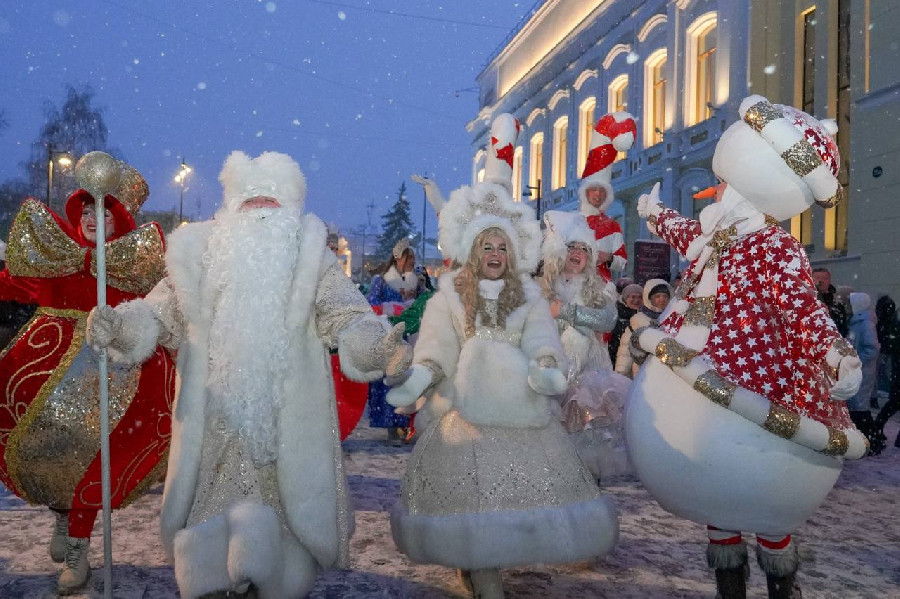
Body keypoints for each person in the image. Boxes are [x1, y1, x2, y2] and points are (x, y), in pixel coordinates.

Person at [87, 151, 411, 599]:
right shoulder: (200, 256)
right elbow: (159, 313)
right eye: (250, 202)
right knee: (211, 546)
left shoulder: (311, 259)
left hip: (285, 433)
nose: (260, 212)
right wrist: (121, 326)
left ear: (290, 209)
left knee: (281, 546)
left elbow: (347, 315)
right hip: (213, 433)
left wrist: (376, 346)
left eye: (271, 203)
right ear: (230, 208)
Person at [631, 95, 866, 599]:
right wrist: (655, 213)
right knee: (718, 504)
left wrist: (835, 352)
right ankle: (730, 586)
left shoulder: (774, 245)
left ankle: (781, 583)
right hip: (694, 350)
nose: (718, 191)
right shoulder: (720, 234)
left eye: (726, 182)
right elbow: (687, 234)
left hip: (757, 367)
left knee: (761, 491)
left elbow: (801, 307)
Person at [386, 114, 618, 599]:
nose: (494, 252)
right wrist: (421, 376)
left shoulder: (528, 295)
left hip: (518, 411)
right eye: (486, 245)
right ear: (473, 250)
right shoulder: (450, 294)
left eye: (501, 246)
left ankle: (487, 560)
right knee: (468, 494)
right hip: (462, 411)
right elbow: (437, 346)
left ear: (512, 252)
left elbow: (541, 338)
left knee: (505, 499)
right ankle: (477, 567)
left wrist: (547, 366)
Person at [0, 161, 175, 594]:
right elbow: (13, 283)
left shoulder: (132, 268)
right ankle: (62, 516)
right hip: (44, 377)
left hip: (112, 377)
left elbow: (160, 312)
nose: (92, 220)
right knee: (51, 453)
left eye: (104, 213)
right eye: (85, 211)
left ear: (120, 222)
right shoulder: (57, 258)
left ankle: (78, 545)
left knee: (97, 461)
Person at [540, 210, 632, 480]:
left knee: (585, 433)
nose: (577, 253)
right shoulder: (542, 286)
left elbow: (607, 320)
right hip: (548, 371)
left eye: (584, 249)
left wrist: (567, 312)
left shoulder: (599, 288)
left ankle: (587, 482)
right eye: (572, 247)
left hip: (588, 375)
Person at [366, 238, 421, 442]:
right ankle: (391, 424)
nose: (412, 261)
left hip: (409, 337)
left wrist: (415, 304)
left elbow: (425, 302)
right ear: (398, 259)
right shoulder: (381, 281)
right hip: (388, 337)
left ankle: (404, 424)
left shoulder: (416, 283)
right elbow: (370, 304)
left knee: (407, 381)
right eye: (408, 257)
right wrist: (390, 308)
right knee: (389, 383)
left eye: (413, 258)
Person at [578, 111, 637, 281]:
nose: (597, 194)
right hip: (573, 285)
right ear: (586, 192)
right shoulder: (571, 221)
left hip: (601, 286)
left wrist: (609, 258)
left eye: (602, 191)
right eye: (594, 190)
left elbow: (622, 262)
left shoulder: (611, 226)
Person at [615, 279, 672, 378]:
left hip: (667, 373)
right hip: (643, 372)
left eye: (665, 296)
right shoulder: (638, 319)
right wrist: (621, 373)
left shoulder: (673, 318)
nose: (662, 299)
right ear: (649, 298)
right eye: (657, 296)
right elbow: (626, 349)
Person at [846, 292, 880, 451]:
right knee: (857, 407)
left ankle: (872, 442)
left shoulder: (865, 323)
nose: (847, 306)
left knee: (860, 408)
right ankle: (868, 441)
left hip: (863, 371)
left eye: (850, 303)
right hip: (858, 370)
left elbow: (872, 349)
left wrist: (856, 360)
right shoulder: (859, 321)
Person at [872, 295, 900, 453]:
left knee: (895, 402)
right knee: (895, 402)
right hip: (897, 366)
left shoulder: (888, 324)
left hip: (896, 366)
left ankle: (878, 427)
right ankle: (877, 427)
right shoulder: (890, 324)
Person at [609, 282, 642, 368]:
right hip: (618, 362)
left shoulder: (644, 315)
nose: (636, 300)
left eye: (640, 297)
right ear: (625, 298)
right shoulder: (616, 314)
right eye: (633, 297)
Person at [812, 267, 849, 336]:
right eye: (817, 278)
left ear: (829, 280)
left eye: (825, 278)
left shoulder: (837, 302)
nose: (821, 281)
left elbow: (844, 325)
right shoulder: (806, 300)